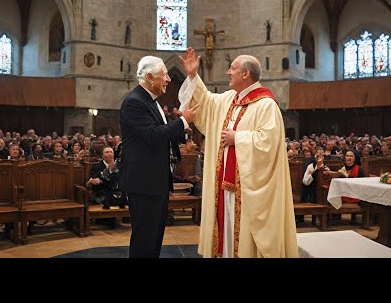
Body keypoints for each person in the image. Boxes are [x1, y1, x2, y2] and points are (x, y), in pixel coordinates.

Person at [178, 47, 298, 258]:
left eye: (232, 69)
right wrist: (192, 75)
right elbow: (205, 101)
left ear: (246, 73)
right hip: (223, 187)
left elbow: (269, 143)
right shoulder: (228, 100)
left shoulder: (266, 105)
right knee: (225, 232)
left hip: (248, 190)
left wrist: (238, 138)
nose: (228, 73)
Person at [119, 55, 198, 258]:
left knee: (154, 237)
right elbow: (153, 135)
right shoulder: (134, 102)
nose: (168, 80)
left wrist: (181, 127)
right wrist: (182, 123)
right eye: (164, 75)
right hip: (143, 182)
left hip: (155, 181)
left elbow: (161, 133)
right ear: (149, 77)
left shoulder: (151, 101)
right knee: (144, 238)